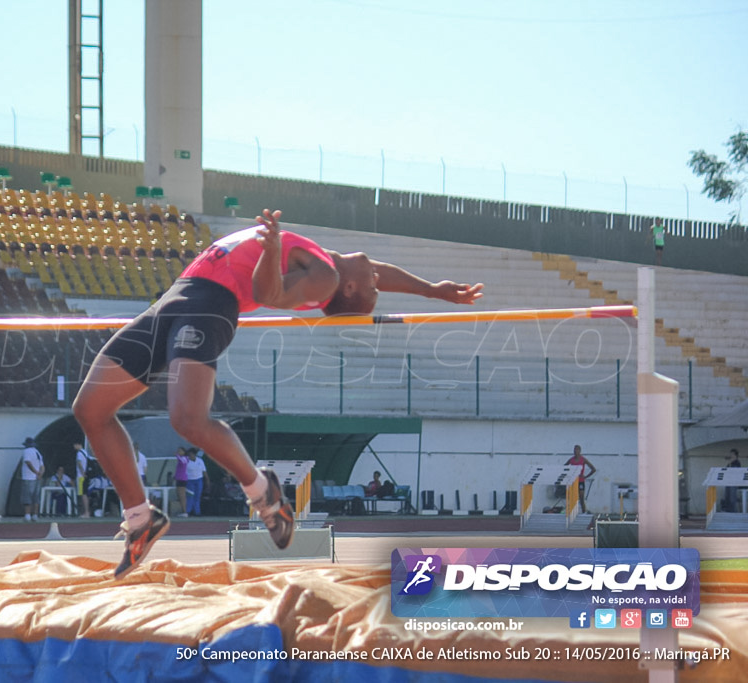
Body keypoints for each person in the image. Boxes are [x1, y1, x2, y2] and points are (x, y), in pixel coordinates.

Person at [72, 208, 483, 578]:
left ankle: (262, 492)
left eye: (373, 288)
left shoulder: (326, 276)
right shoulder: (330, 263)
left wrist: (270, 250)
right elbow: (376, 271)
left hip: (209, 305)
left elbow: (269, 295)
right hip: (175, 296)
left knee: (188, 419)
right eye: (376, 286)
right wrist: (431, 290)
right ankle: (141, 518)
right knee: (90, 409)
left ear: (350, 289)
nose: (379, 282)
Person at [565, 445, 597, 514]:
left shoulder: (583, 459)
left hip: (581, 481)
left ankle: (583, 512)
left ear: (580, 451)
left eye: (577, 450)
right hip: (573, 481)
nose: (575, 451)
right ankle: (572, 512)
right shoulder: (571, 460)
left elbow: (593, 469)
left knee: (581, 497)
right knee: (572, 498)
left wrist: (585, 476)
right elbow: (564, 467)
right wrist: (568, 475)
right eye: (574, 450)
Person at [20, 437, 44, 521]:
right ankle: (35, 515)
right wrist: (40, 474)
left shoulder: (26, 451)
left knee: (27, 496)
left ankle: (27, 515)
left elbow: (28, 462)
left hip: (28, 477)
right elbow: (42, 466)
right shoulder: (37, 452)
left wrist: (35, 472)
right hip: (37, 478)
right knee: (36, 497)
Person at [184, 448, 210, 516]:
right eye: (189, 455)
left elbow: (204, 471)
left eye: (192, 454)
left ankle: (197, 512)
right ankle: (188, 511)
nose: (190, 456)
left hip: (198, 480)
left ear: (194, 454)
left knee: (197, 496)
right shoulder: (186, 461)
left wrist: (207, 479)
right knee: (190, 496)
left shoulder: (200, 461)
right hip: (190, 481)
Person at [74, 442, 91, 518]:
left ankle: (86, 512)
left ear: (78, 444)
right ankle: (86, 512)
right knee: (84, 494)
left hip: (81, 476)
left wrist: (82, 472)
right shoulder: (85, 453)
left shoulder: (79, 453)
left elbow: (79, 463)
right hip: (85, 476)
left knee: (83, 494)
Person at [725, 448, 743, 512]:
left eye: (732, 454)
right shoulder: (730, 462)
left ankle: (733, 511)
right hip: (728, 481)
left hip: (734, 482)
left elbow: (735, 471)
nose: (730, 455)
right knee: (727, 496)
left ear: (735, 455)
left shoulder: (737, 462)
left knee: (732, 497)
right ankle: (728, 510)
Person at [173, 446, 189, 517]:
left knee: (182, 495)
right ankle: (183, 511)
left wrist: (177, 455)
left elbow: (182, 461)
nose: (178, 452)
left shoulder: (185, 458)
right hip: (179, 478)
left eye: (180, 451)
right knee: (179, 495)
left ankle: (184, 511)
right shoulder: (183, 459)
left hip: (182, 479)